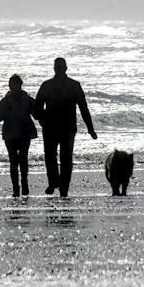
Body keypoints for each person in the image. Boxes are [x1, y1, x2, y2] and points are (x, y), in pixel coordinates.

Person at [32, 56, 96, 197]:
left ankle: (63, 188)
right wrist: (42, 119)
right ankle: (54, 182)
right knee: (50, 157)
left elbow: (83, 108)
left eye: (60, 67)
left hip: (67, 128)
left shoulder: (74, 85)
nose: (58, 69)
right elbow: (36, 108)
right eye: (56, 67)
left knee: (65, 158)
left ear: (66, 68)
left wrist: (90, 128)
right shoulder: (47, 85)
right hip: (51, 127)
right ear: (54, 69)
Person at [0, 73, 35, 197]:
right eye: (10, 85)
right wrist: (6, 111)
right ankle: (16, 188)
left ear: (20, 85)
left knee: (23, 159)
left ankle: (24, 183)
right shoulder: (5, 101)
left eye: (14, 84)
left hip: (24, 132)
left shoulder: (28, 99)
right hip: (10, 133)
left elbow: (37, 114)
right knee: (13, 161)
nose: (12, 87)